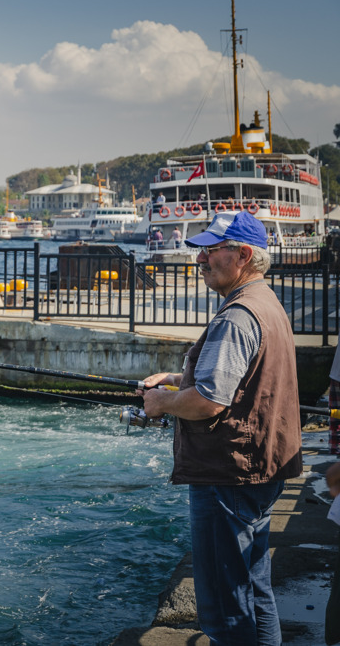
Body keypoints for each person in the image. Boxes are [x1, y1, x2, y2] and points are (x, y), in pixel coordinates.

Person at [139, 211, 302, 645]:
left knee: (223, 603)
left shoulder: (236, 316)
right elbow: (243, 380)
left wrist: (162, 404)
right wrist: (178, 380)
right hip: (258, 468)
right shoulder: (264, 301)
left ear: (244, 255)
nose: (201, 260)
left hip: (228, 474)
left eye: (212, 251)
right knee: (253, 586)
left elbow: (208, 403)